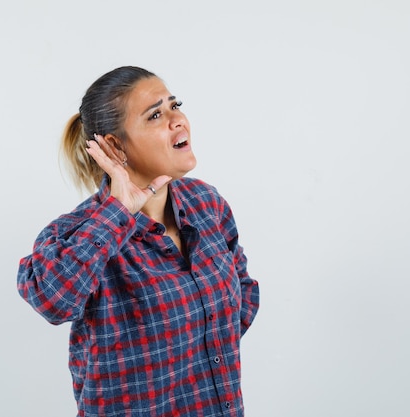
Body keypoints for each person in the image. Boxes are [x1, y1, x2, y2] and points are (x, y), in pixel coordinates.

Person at [17, 66, 260, 417]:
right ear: (115, 147)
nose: (177, 120)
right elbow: (53, 300)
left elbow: (242, 291)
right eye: (156, 115)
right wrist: (118, 212)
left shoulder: (206, 202)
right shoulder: (78, 232)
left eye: (174, 105)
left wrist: (200, 348)